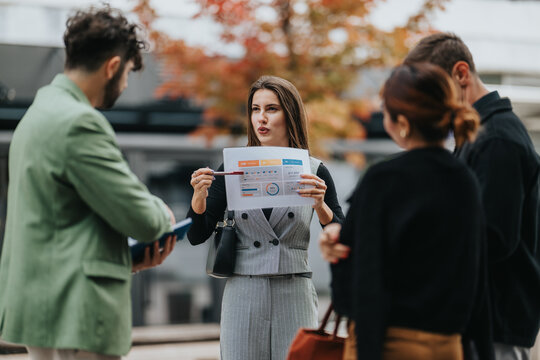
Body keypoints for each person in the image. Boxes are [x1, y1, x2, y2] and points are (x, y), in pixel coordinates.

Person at [0, 6, 177, 360]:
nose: (125, 85)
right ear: (112, 66)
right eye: (127, 73)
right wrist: (165, 215)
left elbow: (59, 223)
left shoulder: (36, 116)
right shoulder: (79, 122)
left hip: (42, 305)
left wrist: (121, 257)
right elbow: (144, 220)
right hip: (75, 312)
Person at [320, 63, 490, 359]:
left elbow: (359, 289)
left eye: (385, 111)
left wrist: (336, 248)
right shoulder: (464, 178)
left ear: (403, 123)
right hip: (449, 346)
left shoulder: (383, 179)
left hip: (388, 345)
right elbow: (478, 281)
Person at [403, 33, 540, 360]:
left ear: (461, 74)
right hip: (479, 321)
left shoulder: (496, 140)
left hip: (492, 326)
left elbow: (492, 236)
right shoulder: (478, 135)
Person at [188, 75, 345, 360]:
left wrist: (320, 204)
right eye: (255, 109)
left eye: (271, 109)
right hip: (243, 290)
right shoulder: (233, 167)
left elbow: (340, 233)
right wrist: (199, 198)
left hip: (294, 289)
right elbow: (197, 234)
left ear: (290, 114)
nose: (261, 118)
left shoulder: (313, 170)